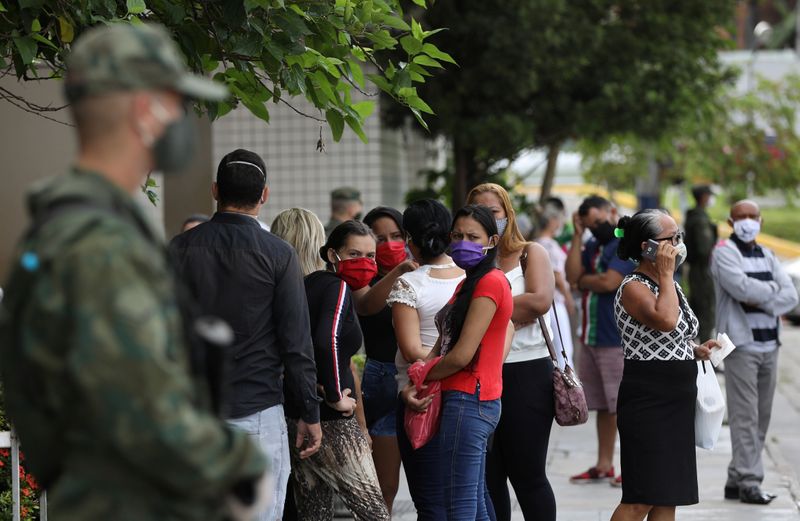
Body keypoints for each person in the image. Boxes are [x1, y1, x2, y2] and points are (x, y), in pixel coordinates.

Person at [0, 23, 269, 520]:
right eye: (175, 105)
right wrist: (239, 466)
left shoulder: (59, 228)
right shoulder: (101, 244)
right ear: (144, 112)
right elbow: (147, 412)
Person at [170, 149, 322, 520]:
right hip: (257, 411)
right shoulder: (280, 254)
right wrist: (309, 412)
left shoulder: (178, 250)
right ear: (264, 195)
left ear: (215, 190)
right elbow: (296, 343)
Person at [610, 209, 718, 521]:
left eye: (678, 237)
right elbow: (666, 320)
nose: (677, 245)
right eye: (670, 239)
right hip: (648, 399)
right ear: (647, 247)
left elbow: (672, 335)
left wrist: (695, 350)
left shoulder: (665, 282)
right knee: (640, 498)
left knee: (667, 496)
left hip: (676, 400)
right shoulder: (634, 285)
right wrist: (668, 275)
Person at [413, 204, 514, 520]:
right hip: (470, 398)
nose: (462, 242)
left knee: (459, 505)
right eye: (456, 235)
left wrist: (422, 375)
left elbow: (461, 355)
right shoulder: (469, 282)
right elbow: (447, 343)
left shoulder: (490, 282)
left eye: (472, 236)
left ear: (492, 242)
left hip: (470, 399)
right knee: (475, 501)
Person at [286, 221, 390, 520]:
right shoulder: (338, 287)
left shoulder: (309, 284)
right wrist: (334, 395)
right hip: (332, 421)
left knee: (314, 514)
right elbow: (326, 340)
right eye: (354, 253)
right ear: (333, 254)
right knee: (375, 514)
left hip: (300, 414)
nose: (365, 263)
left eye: (371, 256)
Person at [467, 183, 558, 521]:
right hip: (477, 373)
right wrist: (504, 312)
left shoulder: (530, 252)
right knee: (488, 479)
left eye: (494, 212)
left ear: (507, 214)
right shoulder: (467, 257)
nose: (487, 218)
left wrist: (481, 310)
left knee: (528, 475)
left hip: (527, 372)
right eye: (479, 211)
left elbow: (539, 301)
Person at [711, 200, 798, 505]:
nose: (748, 221)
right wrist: (769, 293)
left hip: (769, 345)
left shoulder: (768, 254)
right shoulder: (724, 253)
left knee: (761, 416)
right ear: (730, 221)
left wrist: (763, 296)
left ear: (760, 220)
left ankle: (736, 477)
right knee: (744, 415)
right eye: (741, 217)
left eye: (752, 216)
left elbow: (790, 295)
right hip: (741, 346)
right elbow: (741, 290)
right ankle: (750, 480)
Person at [388, 199, 465, 520]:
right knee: (468, 496)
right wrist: (461, 359)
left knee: (431, 503)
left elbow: (410, 349)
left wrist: (442, 361)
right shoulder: (469, 277)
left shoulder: (410, 284)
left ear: (409, 238)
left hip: (421, 396)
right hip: (467, 395)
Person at [565, 195, 635, 486]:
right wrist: (579, 236)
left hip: (614, 339)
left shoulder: (623, 244)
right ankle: (604, 464)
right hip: (590, 336)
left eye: (599, 221)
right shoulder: (592, 244)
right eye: (590, 224)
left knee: (622, 407)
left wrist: (585, 281)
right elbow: (572, 277)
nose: (597, 227)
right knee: (604, 407)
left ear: (612, 213)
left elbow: (610, 282)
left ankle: (632, 468)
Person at [358, 206, 415, 511]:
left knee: (426, 486)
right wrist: (399, 270)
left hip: (418, 379)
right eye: (381, 238)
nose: (391, 244)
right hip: (380, 381)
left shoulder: (421, 271)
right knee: (384, 489)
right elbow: (366, 306)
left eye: (397, 236)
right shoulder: (361, 278)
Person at [536, 201, 576, 368]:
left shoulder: (537, 242)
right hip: (555, 302)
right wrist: (568, 298)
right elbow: (557, 275)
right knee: (564, 349)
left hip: (550, 302)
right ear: (552, 221)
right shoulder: (548, 245)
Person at [684, 184, 718, 341]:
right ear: (703, 197)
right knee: (705, 311)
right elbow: (704, 249)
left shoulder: (694, 216)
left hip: (696, 269)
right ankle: (705, 356)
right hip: (702, 270)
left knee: (697, 310)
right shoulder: (700, 219)